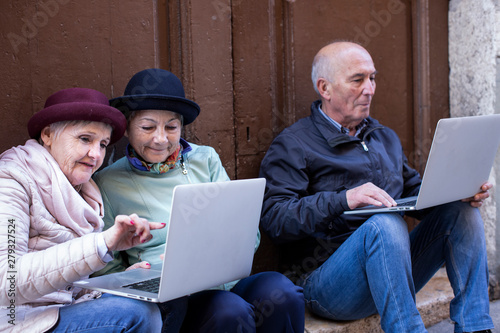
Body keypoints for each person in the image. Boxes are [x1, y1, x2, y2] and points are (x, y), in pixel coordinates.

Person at [259, 41, 494, 333]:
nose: (369, 89)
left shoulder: (383, 136)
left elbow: (414, 194)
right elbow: (275, 219)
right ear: (325, 88)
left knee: (462, 212)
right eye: (357, 80)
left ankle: (475, 327)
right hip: (327, 284)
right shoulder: (294, 143)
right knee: (384, 223)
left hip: (393, 271)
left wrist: (457, 191)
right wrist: (343, 199)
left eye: (372, 78)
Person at [93, 68, 305, 333]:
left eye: (171, 127)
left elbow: (246, 230)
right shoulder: (108, 182)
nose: (161, 139)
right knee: (229, 312)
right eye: (147, 127)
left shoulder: (205, 159)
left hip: (228, 280)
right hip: (178, 299)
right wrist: (129, 277)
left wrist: (234, 246)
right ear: (126, 127)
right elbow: (105, 266)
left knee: (284, 293)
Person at [0, 87, 173, 332]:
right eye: (85, 139)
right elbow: (7, 280)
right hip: (22, 321)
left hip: (64, 308)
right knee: (138, 315)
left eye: (102, 144)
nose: (95, 154)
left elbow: (68, 286)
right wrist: (100, 244)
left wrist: (121, 281)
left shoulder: (86, 191)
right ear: (48, 135)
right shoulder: (10, 180)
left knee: (163, 301)